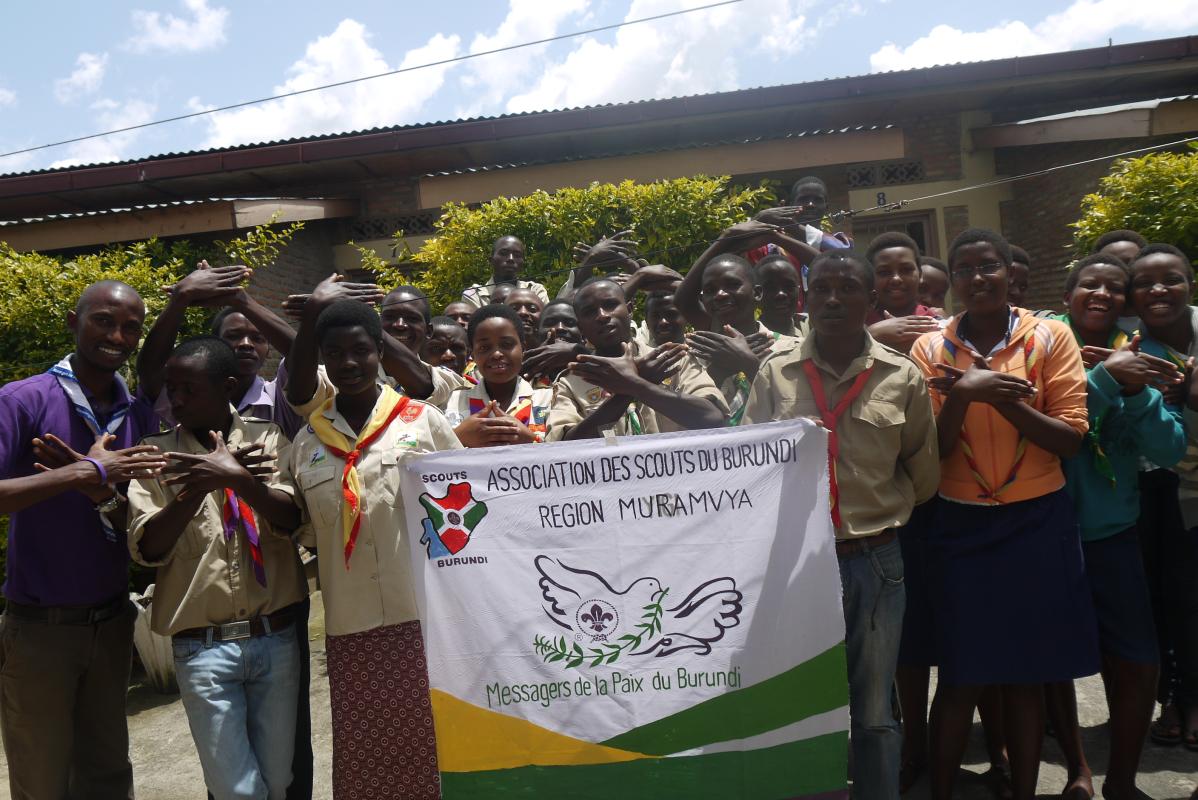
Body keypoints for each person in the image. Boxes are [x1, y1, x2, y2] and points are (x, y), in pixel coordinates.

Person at [910, 228, 1099, 800]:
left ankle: (1023, 790)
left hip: (1037, 519)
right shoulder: (931, 350)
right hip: (960, 522)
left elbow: (1069, 440)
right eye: (963, 269)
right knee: (963, 675)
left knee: (1026, 674)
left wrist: (998, 396)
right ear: (951, 280)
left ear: (1007, 271)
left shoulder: (1050, 337)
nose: (976, 277)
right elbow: (935, 451)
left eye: (987, 265)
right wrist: (962, 394)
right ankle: (940, 791)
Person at [744, 250, 938, 800]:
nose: (833, 299)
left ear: (870, 300)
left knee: (874, 711)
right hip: (795, 565)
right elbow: (748, 466)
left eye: (847, 288)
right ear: (806, 298)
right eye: (821, 288)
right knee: (797, 701)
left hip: (874, 560)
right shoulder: (775, 372)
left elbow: (923, 474)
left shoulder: (902, 376)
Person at [284, 295, 463, 799]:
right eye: (335, 353)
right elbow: (300, 526)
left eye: (360, 350)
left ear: (379, 353)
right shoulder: (308, 444)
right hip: (352, 625)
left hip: (428, 619)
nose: (348, 363)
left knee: (445, 748)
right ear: (323, 358)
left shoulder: (422, 422)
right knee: (371, 760)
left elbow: (468, 505)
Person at [0, 280, 167, 800]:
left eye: (130, 327)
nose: (116, 335)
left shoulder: (136, 414)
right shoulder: (23, 399)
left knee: (108, 776)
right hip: (40, 630)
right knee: (43, 781)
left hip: (112, 622)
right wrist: (86, 472)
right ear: (74, 323)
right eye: (103, 320)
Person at [127, 337, 306, 800]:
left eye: (189, 388)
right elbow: (146, 547)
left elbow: (291, 519)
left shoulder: (268, 439)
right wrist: (196, 486)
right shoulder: (157, 456)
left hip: (275, 637)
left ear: (227, 386)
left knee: (279, 780)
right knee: (236, 790)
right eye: (171, 388)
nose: (176, 400)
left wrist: (238, 479)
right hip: (203, 649)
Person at [1046, 252, 1186, 800]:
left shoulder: (1148, 354)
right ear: (1067, 296)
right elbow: (1047, 422)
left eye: (1113, 288)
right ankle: (1078, 770)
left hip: (1113, 531)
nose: (1101, 294)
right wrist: (1102, 378)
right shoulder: (1039, 343)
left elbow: (1170, 447)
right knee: (1052, 661)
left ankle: (1122, 781)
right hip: (1045, 526)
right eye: (1089, 285)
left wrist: (1136, 390)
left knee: (1137, 662)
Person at [1124, 243, 1198, 752]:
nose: (1158, 290)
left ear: (1190, 283)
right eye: (1145, 284)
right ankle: (1185, 700)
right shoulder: (1134, 350)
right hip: (1181, 488)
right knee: (1181, 602)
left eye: (1170, 279)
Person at [546, 278, 726, 440]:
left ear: (630, 309)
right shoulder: (571, 382)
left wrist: (636, 385)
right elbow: (566, 447)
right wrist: (629, 389)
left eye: (610, 304)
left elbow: (713, 418)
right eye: (589, 311)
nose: (602, 315)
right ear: (581, 327)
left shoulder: (674, 358)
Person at [446, 304, 552, 446]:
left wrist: (532, 441)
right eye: (484, 347)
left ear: (523, 349)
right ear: (473, 355)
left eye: (507, 344)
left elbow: (566, 457)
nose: (496, 354)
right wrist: (457, 437)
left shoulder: (548, 398)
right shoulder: (454, 400)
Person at [864, 233, 940, 354]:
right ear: (870, 278)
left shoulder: (938, 326)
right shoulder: (856, 326)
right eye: (884, 272)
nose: (896, 279)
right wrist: (870, 336)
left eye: (906, 270)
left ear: (920, 274)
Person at [460, 235, 549, 309]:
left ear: (522, 263)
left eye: (517, 255)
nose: (510, 259)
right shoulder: (474, 296)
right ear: (491, 260)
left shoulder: (535, 290)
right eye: (503, 253)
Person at [753, 254, 803, 338]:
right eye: (770, 288)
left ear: (798, 289)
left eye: (789, 286)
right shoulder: (749, 338)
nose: (781, 294)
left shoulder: (811, 325)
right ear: (756, 294)